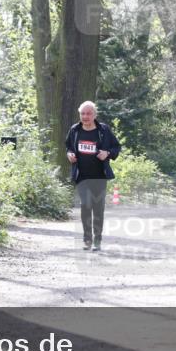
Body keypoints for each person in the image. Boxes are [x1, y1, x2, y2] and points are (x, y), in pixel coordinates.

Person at [65, 101, 121, 251]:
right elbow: (69, 146)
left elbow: (116, 147)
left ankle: (98, 239)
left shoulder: (103, 130)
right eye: (83, 113)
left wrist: (107, 153)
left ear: (95, 115)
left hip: (99, 177)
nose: (85, 116)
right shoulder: (75, 130)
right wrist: (69, 154)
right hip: (82, 176)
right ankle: (87, 240)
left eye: (89, 113)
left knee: (98, 208)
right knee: (85, 206)